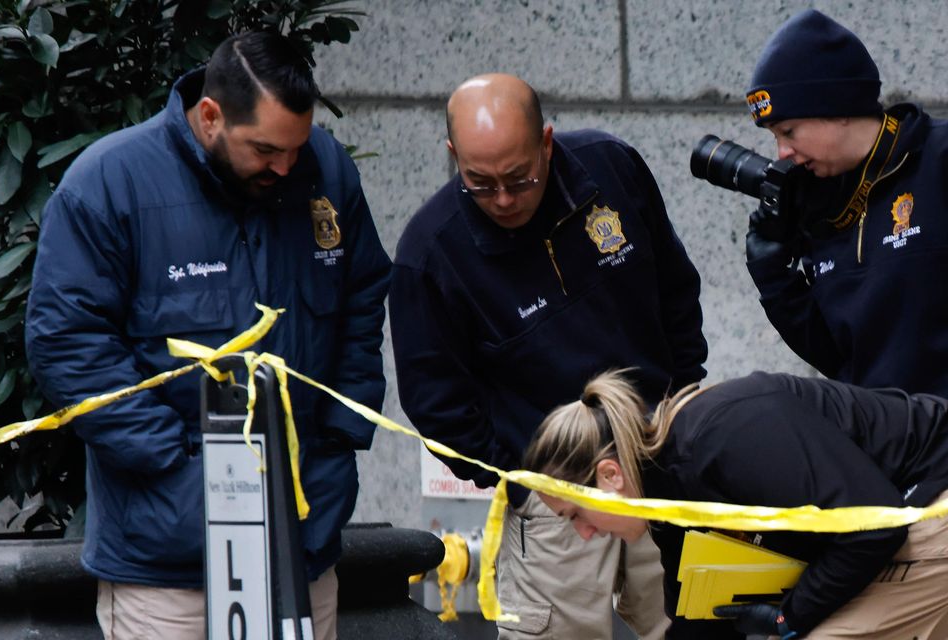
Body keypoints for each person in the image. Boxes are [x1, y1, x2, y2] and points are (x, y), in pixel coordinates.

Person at [25, 31, 391, 640]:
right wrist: (177, 468)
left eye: (297, 148)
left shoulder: (324, 168)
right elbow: (67, 343)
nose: (286, 166)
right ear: (211, 115)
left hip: (304, 537)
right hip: (169, 562)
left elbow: (361, 299)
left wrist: (338, 441)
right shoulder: (110, 182)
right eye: (266, 150)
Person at [390, 73, 707, 639]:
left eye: (519, 177)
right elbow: (436, 403)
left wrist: (680, 409)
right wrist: (525, 475)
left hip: (660, 459)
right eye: (479, 183)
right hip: (550, 497)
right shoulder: (429, 253)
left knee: (694, 624)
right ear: (452, 156)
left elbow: (676, 291)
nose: (504, 198)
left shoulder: (611, 168)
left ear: (547, 142)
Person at [524, 368, 948, 639]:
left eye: (575, 514)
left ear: (609, 476)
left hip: (928, 495)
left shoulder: (723, 437)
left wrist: (790, 618)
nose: (583, 533)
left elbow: (876, 526)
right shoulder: (664, 489)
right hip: (887, 517)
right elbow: (698, 619)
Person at [743, 9, 948, 397]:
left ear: (836, 107)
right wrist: (774, 277)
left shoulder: (938, 159)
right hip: (881, 443)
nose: (782, 152)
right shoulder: (818, 203)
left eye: (788, 131)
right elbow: (837, 356)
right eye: (774, 137)